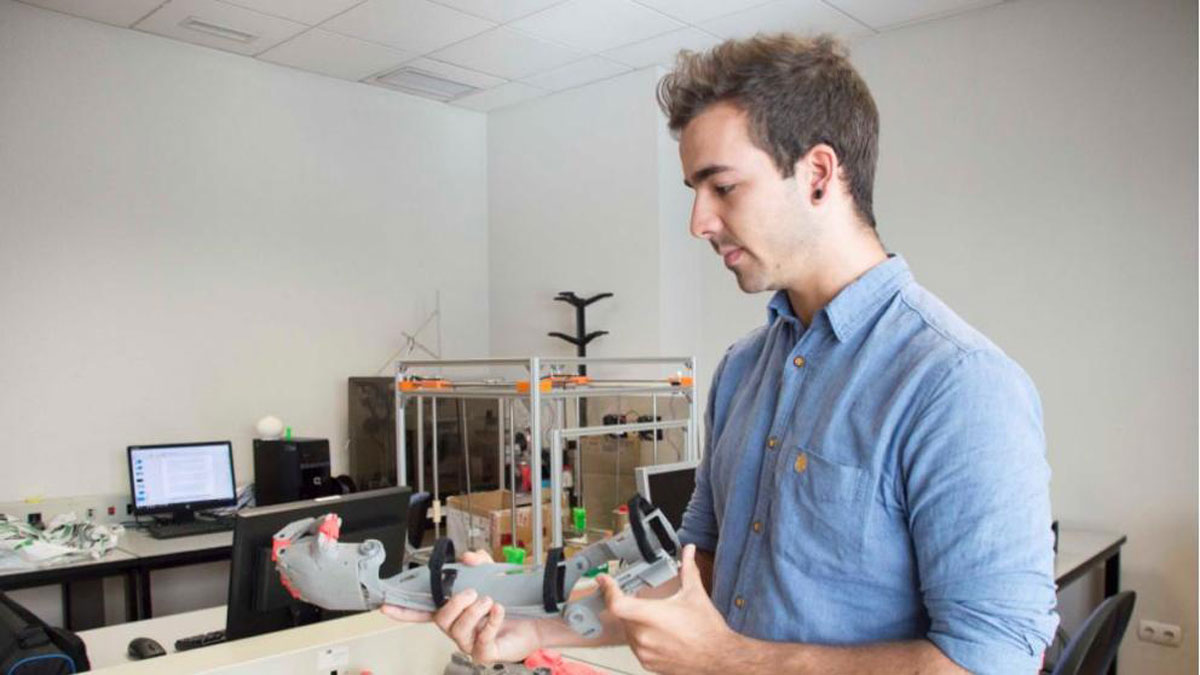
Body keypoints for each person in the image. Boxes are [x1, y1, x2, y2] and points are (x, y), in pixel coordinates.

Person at [385, 33, 1058, 675]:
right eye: (694, 192)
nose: (699, 222)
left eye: (723, 187)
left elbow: (995, 659)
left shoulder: (956, 383)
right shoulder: (742, 367)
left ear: (819, 173)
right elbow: (692, 578)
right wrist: (532, 628)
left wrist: (729, 660)